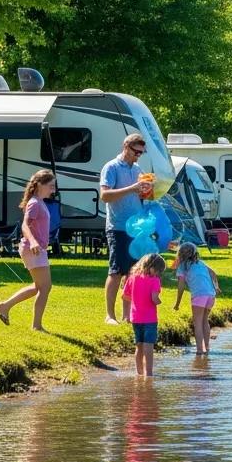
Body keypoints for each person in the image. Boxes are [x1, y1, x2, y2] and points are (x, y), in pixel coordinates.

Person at [0, 169, 57, 331]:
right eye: (50, 186)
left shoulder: (39, 201)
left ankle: (4, 307)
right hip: (32, 249)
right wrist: (34, 242)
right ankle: (36, 326)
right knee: (45, 287)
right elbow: (24, 225)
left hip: (35, 249)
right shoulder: (35, 203)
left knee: (38, 286)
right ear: (40, 185)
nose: (53, 190)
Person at [101, 133, 154, 325]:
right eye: (136, 152)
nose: (138, 156)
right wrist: (133, 188)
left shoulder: (138, 168)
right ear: (126, 147)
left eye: (141, 153)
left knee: (133, 272)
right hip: (118, 226)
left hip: (137, 228)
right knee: (116, 271)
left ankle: (126, 315)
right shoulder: (111, 167)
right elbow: (105, 196)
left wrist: (147, 192)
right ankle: (109, 315)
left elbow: (138, 194)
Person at [173, 242, 221, 354]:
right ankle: (207, 348)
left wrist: (177, 303)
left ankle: (200, 350)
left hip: (199, 296)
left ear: (180, 254)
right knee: (205, 321)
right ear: (195, 253)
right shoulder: (201, 263)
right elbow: (213, 273)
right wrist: (216, 287)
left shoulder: (182, 267)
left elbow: (181, 287)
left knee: (197, 323)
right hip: (211, 295)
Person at [123, 253, 165, 377]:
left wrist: (126, 314)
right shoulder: (155, 280)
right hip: (150, 319)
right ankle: (149, 374)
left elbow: (125, 296)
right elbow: (154, 298)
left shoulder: (133, 278)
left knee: (139, 346)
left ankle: (139, 372)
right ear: (152, 267)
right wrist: (159, 301)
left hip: (136, 318)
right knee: (149, 346)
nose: (158, 274)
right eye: (158, 271)